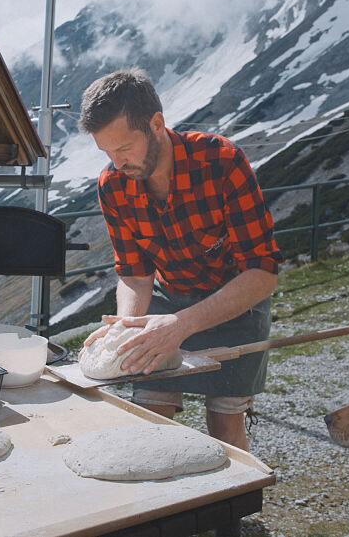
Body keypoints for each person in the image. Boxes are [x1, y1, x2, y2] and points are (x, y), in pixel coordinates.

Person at [78, 68, 282, 450]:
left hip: (235, 306)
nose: (117, 163)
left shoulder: (222, 162)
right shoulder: (113, 185)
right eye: (107, 153)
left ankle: (231, 506)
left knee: (224, 423)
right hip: (166, 302)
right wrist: (127, 327)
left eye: (124, 149)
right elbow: (136, 276)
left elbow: (263, 273)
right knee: (151, 416)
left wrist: (181, 324)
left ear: (156, 124)